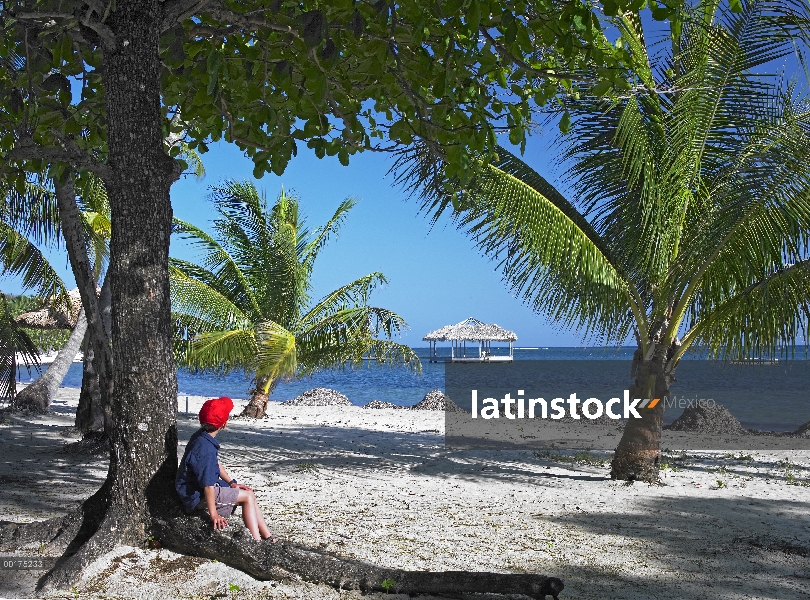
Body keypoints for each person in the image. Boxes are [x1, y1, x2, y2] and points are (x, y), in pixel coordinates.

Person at [176, 396, 273, 540]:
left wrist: (231, 483)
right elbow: (207, 485)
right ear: (224, 424)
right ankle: (256, 540)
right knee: (247, 497)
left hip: (199, 488)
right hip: (196, 496)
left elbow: (216, 465)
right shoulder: (206, 449)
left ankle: (267, 536)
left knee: (249, 493)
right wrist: (214, 514)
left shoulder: (201, 437)